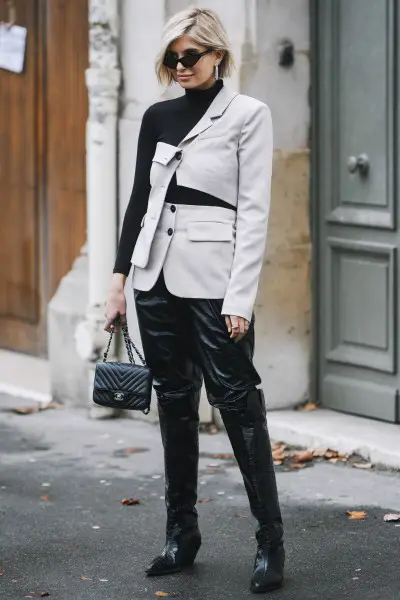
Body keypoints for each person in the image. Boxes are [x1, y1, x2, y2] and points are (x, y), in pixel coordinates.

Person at [104, 7, 284, 594]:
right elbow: (139, 202)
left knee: (237, 404)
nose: (180, 67)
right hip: (154, 280)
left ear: (217, 56)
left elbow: (254, 211)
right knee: (174, 404)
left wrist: (241, 297)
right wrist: (118, 279)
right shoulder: (156, 116)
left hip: (214, 283)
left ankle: (269, 540)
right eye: (172, 58)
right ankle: (182, 533)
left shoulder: (248, 116)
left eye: (190, 57)